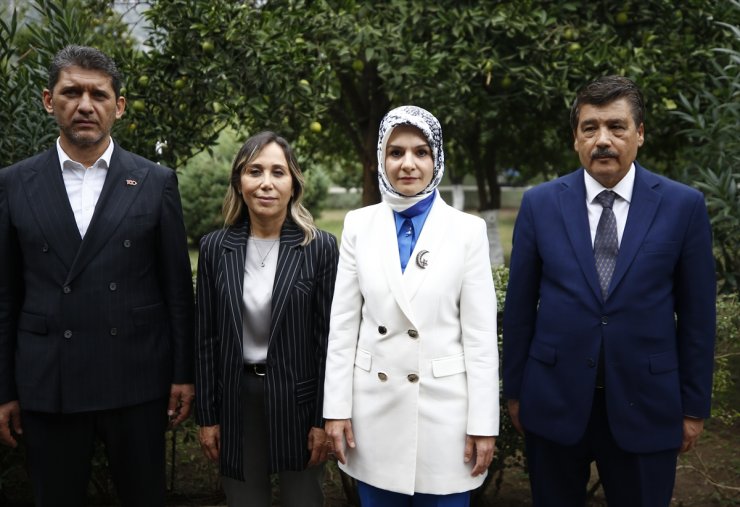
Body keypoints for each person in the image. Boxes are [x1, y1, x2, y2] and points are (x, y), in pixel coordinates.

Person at [502, 75, 716, 506]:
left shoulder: (683, 206)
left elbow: (697, 316)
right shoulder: (540, 204)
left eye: (616, 127)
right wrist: (515, 392)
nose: (603, 139)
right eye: (590, 128)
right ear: (575, 138)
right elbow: (520, 308)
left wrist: (693, 407)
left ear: (640, 133)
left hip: (648, 404)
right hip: (553, 402)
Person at [0, 45, 194, 506]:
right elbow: (5, 295)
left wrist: (183, 374)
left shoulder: (154, 180)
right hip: (50, 381)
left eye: (99, 95)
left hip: (137, 378)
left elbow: (176, 290)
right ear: (50, 100)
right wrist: (4, 389)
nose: (85, 105)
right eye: (72, 92)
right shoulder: (13, 183)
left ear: (118, 106)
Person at [324, 105, 499, 506]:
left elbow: (480, 339)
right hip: (374, 415)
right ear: (380, 160)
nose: (408, 164)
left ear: (436, 159)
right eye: (396, 151)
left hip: (446, 419)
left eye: (421, 152)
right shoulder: (358, 225)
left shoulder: (468, 231)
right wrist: (336, 410)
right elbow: (343, 327)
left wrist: (484, 424)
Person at [195, 131, 339, 507]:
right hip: (236, 399)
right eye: (254, 171)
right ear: (239, 182)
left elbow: (329, 341)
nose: (266, 183)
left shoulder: (319, 247)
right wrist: (207, 417)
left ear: (293, 185)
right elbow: (206, 339)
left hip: (299, 400)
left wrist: (324, 419)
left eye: (278, 172)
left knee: (304, 499)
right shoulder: (214, 249)